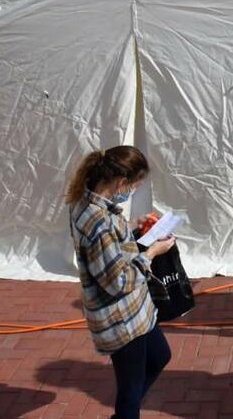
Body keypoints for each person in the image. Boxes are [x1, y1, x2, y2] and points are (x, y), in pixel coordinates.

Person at [66, 146, 178, 419]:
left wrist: (133, 228)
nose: (134, 190)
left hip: (135, 313)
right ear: (120, 182)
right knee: (130, 392)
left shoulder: (88, 203)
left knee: (159, 356)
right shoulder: (98, 223)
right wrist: (151, 253)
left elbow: (110, 249)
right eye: (135, 184)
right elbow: (119, 282)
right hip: (121, 320)